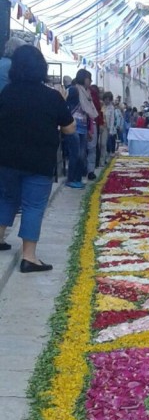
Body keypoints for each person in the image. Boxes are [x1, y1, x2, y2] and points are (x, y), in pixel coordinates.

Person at [0, 45, 75, 271]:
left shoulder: (7, 93)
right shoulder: (51, 96)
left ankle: (1, 237)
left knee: (5, 198)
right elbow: (70, 129)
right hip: (38, 161)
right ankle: (29, 257)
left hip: (6, 158)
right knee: (33, 206)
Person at [65, 69, 98, 189]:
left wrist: (90, 129)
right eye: (89, 79)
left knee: (82, 155)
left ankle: (78, 178)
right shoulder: (74, 90)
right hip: (74, 126)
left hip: (83, 126)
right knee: (76, 154)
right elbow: (66, 105)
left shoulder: (87, 92)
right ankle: (71, 178)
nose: (90, 81)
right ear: (84, 78)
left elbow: (89, 112)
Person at [102, 91, 118, 162]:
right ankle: (102, 158)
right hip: (102, 126)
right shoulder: (102, 106)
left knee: (106, 143)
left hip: (108, 128)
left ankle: (107, 156)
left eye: (108, 99)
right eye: (106, 99)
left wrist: (111, 130)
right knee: (102, 144)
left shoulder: (111, 108)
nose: (107, 101)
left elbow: (112, 119)